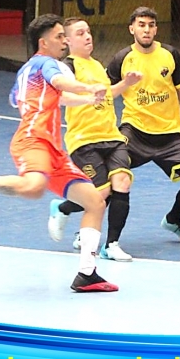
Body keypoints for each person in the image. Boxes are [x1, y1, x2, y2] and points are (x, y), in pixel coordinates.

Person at [0, 14, 119, 293]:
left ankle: (87, 274)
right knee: (33, 188)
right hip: (33, 139)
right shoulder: (46, 64)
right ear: (43, 42)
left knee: (95, 202)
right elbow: (63, 85)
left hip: (53, 149)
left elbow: (60, 97)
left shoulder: (29, 70)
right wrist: (88, 87)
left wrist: (89, 99)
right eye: (59, 37)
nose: (64, 41)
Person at [46, 17, 142, 262]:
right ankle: (63, 208)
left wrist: (126, 83)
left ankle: (111, 244)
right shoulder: (67, 66)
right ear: (67, 41)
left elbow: (107, 94)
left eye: (88, 32)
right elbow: (61, 97)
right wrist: (87, 98)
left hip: (112, 136)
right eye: (80, 33)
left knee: (122, 182)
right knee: (99, 195)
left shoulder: (97, 65)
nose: (87, 36)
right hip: (84, 139)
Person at [108, 6, 180, 243]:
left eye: (151, 25)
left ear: (156, 29)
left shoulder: (170, 54)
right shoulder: (122, 58)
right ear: (132, 28)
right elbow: (107, 94)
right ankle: (88, 230)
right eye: (141, 25)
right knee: (113, 178)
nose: (146, 29)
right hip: (135, 130)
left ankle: (173, 219)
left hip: (169, 133)